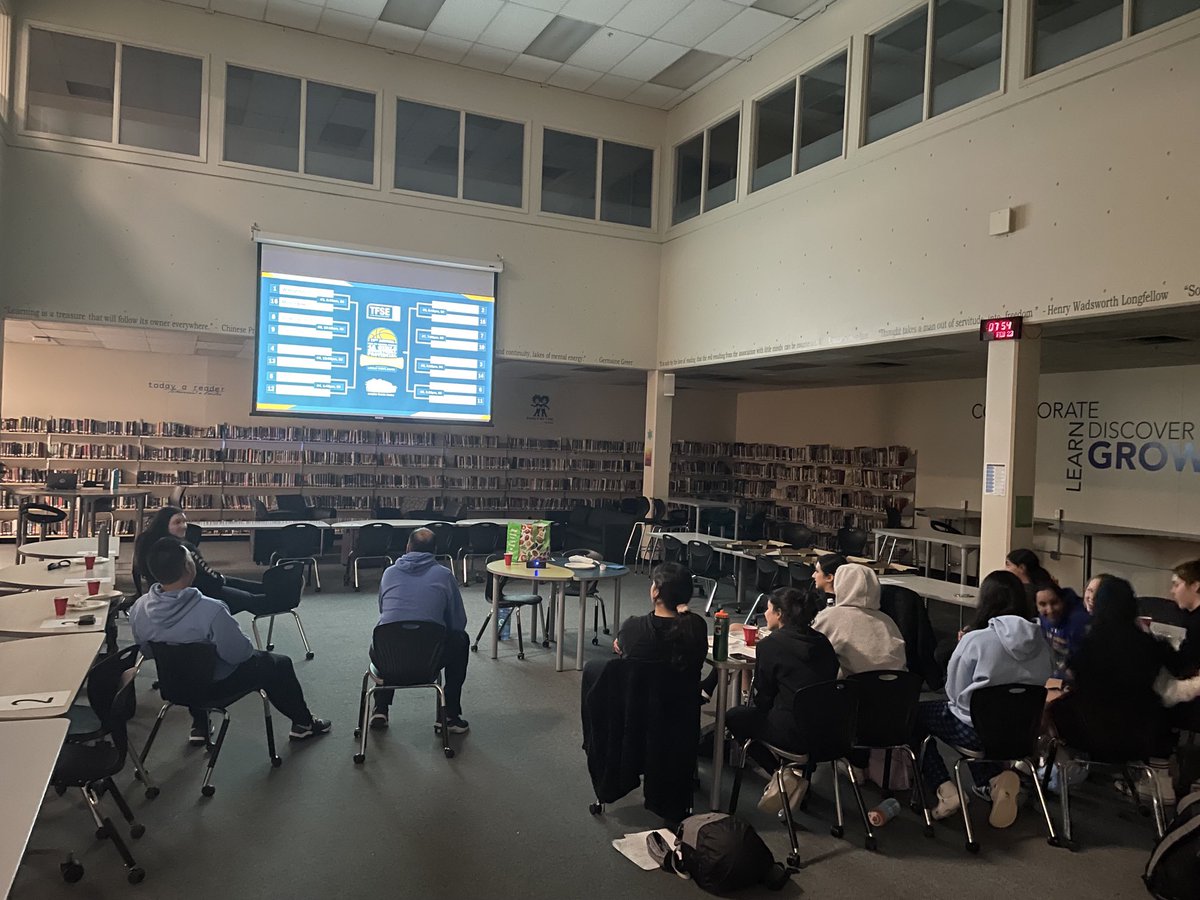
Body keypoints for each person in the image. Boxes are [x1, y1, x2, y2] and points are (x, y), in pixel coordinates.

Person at [129, 537, 330, 743]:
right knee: (279, 664)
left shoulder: (139, 608)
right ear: (189, 568)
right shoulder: (211, 610)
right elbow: (239, 654)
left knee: (184, 666)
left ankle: (200, 726)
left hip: (173, 685)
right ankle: (303, 724)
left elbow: (148, 651)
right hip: (214, 687)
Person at [909, 570, 1052, 828]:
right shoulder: (1041, 640)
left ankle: (945, 789)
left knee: (915, 715)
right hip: (1021, 733)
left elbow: (953, 692)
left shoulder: (976, 639)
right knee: (985, 720)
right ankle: (994, 782)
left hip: (976, 732)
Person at [1050, 577, 1174, 790]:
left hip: (1089, 732)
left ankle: (1052, 771)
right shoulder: (1151, 644)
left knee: (1052, 707)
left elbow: (1070, 675)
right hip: (1140, 736)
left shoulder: (1089, 645)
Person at [724, 587, 839, 784]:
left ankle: (781, 775)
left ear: (779, 614)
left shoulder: (771, 645)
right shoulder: (823, 642)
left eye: (768, 609)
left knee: (735, 717)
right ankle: (796, 773)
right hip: (832, 732)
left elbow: (764, 696)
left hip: (793, 733)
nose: (765, 614)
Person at [370, 527, 470, 733]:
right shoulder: (444, 575)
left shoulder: (389, 573)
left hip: (388, 658)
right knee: (461, 640)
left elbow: (384, 610)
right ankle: (449, 715)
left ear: (407, 547)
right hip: (429, 659)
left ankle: (380, 708)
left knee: (390, 635)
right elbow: (458, 623)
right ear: (434, 550)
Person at [134, 506, 265, 614]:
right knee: (250, 598)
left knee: (237, 583)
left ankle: (267, 589)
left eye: (185, 521)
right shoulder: (182, 548)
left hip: (161, 593)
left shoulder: (145, 541)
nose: (184, 526)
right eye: (177, 522)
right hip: (198, 592)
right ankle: (275, 596)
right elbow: (209, 577)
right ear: (164, 524)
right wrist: (221, 579)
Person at [811, 563, 907, 677]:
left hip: (856, 689)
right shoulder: (887, 621)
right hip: (899, 689)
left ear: (840, 585)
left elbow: (808, 645)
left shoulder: (830, 616)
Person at [613, 561, 709, 674]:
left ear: (655, 592)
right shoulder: (697, 626)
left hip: (641, 691)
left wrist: (623, 639)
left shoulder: (632, 627)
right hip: (684, 691)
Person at [1035, 581, 1090, 678]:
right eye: (1043, 604)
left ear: (1063, 601)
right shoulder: (1040, 620)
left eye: (1054, 603)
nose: (1050, 610)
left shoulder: (1079, 621)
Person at [1169, 560, 1200, 675]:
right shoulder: (1191, 617)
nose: (1172, 591)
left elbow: (1187, 665)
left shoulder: (1197, 622)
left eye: (1176, 585)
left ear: (1195, 586)